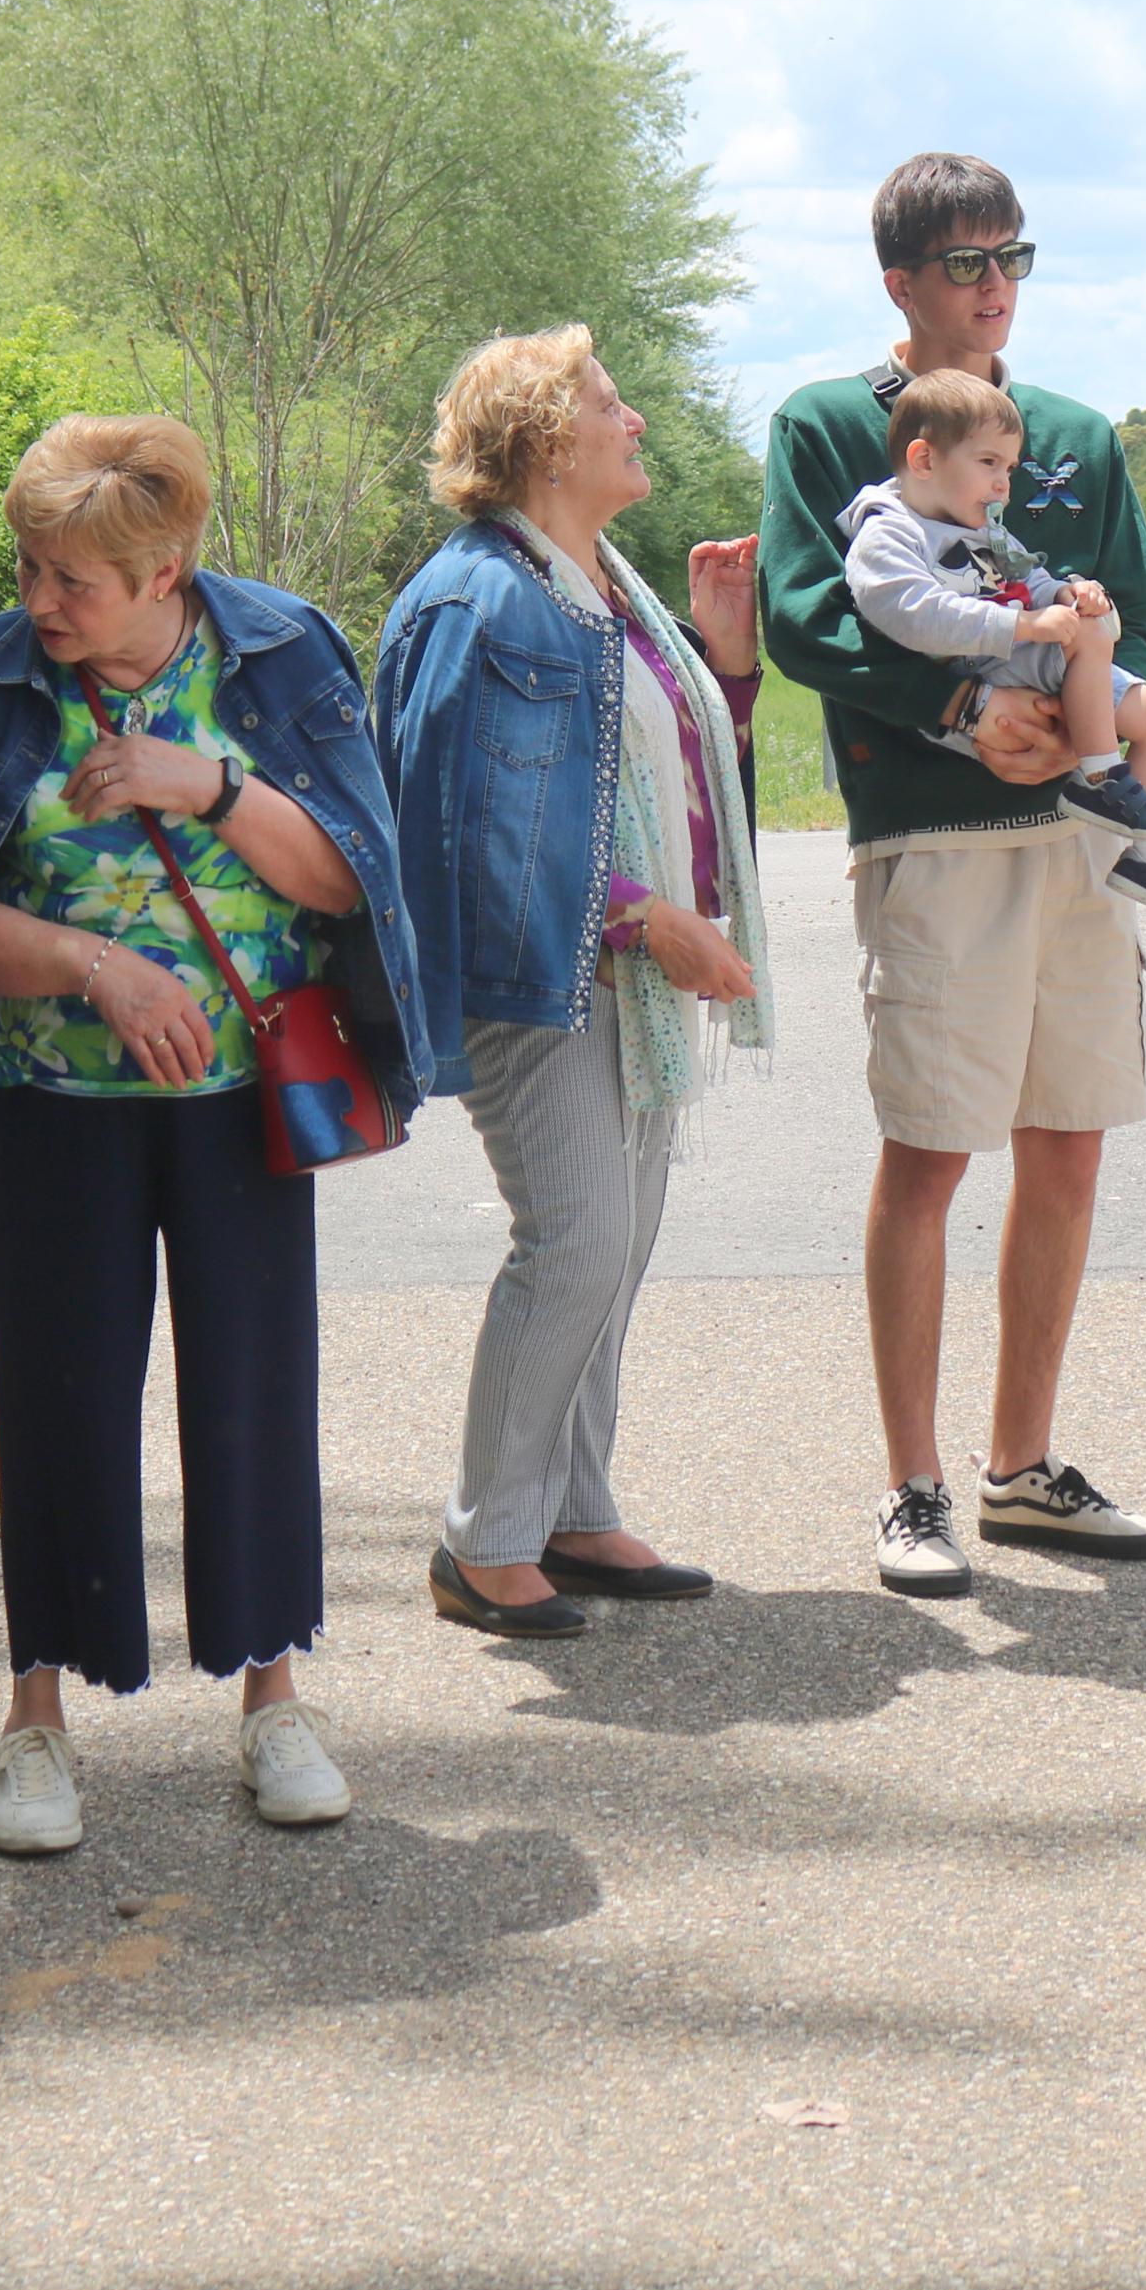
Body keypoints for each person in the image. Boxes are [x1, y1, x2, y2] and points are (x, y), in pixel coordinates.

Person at [0, 415, 418, 1854]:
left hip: (245, 1099)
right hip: (60, 1104)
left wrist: (212, 785)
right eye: (28, 568)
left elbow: (348, 878)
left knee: (252, 1394)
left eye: (74, 580)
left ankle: (272, 1696)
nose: (39, 602)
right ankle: (35, 1723)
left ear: (167, 566)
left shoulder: (280, 655)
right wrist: (92, 968)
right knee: (55, 1398)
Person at [758, 151, 1146, 1597]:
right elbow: (808, 616)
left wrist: (1084, 718)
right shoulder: (829, 423)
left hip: (1072, 837)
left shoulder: (1071, 429)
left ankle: (1022, 1467)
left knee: (1067, 1139)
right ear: (899, 282)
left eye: (1013, 259)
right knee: (931, 1150)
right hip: (931, 836)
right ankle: (914, 1487)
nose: (993, 288)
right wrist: (955, 712)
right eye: (963, 264)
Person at [375, 327, 773, 1640]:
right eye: (611, 401)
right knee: (577, 1242)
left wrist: (722, 662)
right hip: (542, 976)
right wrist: (642, 914)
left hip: (626, 982)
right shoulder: (475, 598)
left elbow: (654, 775)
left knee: (618, 1249)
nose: (636, 418)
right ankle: (482, 1536)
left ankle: (571, 1506)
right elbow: (443, 814)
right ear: (545, 439)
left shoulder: (605, 587)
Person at [834, 365, 1146, 920]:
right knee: (1086, 641)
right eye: (988, 463)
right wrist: (1022, 626)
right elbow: (907, 613)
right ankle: (1101, 776)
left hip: (1020, 655)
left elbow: (1030, 578)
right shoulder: (889, 531)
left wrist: (1066, 593)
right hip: (979, 670)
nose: (1002, 485)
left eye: (1009, 469)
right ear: (924, 459)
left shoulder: (984, 528)